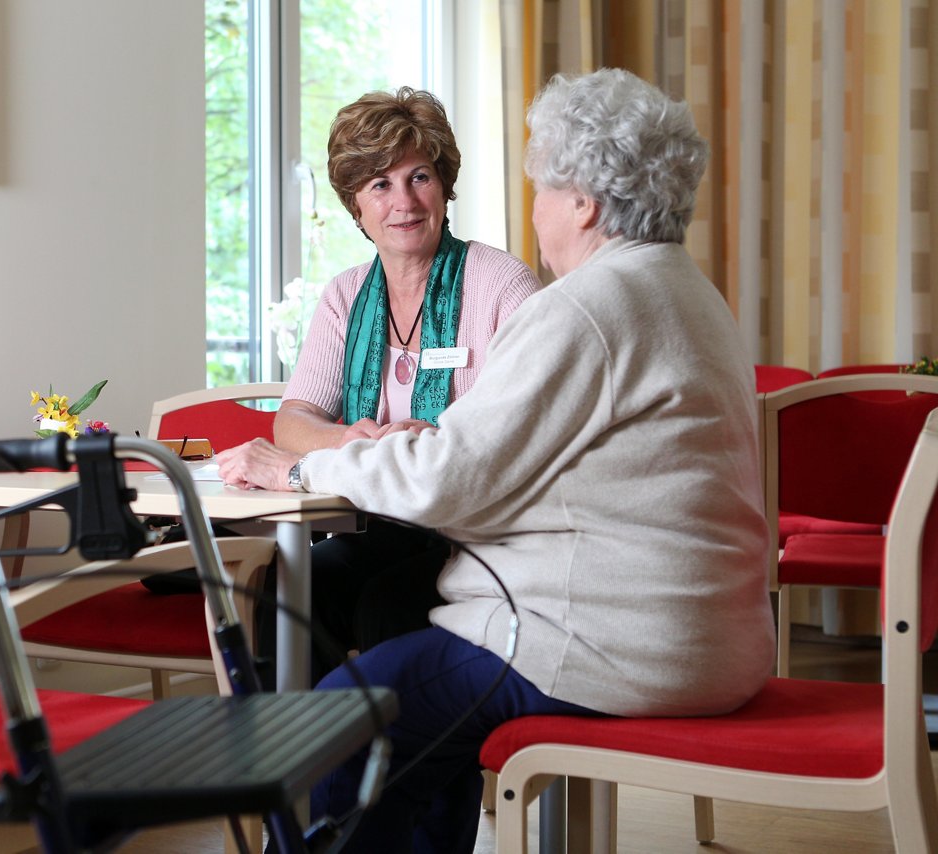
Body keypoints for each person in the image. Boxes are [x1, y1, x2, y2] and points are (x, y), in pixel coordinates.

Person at [217, 68, 776, 852]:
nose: (536, 209)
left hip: (606, 644)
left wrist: (301, 469)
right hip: (699, 636)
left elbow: (451, 476)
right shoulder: (685, 291)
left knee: (353, 714)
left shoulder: (584, 307)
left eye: (542, 187)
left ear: (581, 202)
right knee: (356, 643)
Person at [258, 87, 541, 683]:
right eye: (379, 186)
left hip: (478, 535)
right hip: (377, 522)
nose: (403, 202)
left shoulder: (502, 284)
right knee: (287, 594)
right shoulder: (344, 296)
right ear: (355, 206)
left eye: (419, 177)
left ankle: (400, 772)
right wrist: (349, 440)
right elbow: (292, 420)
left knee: (386, 607)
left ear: (444, 184)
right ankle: (294, 767)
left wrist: (430, 441)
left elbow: (516, 434)